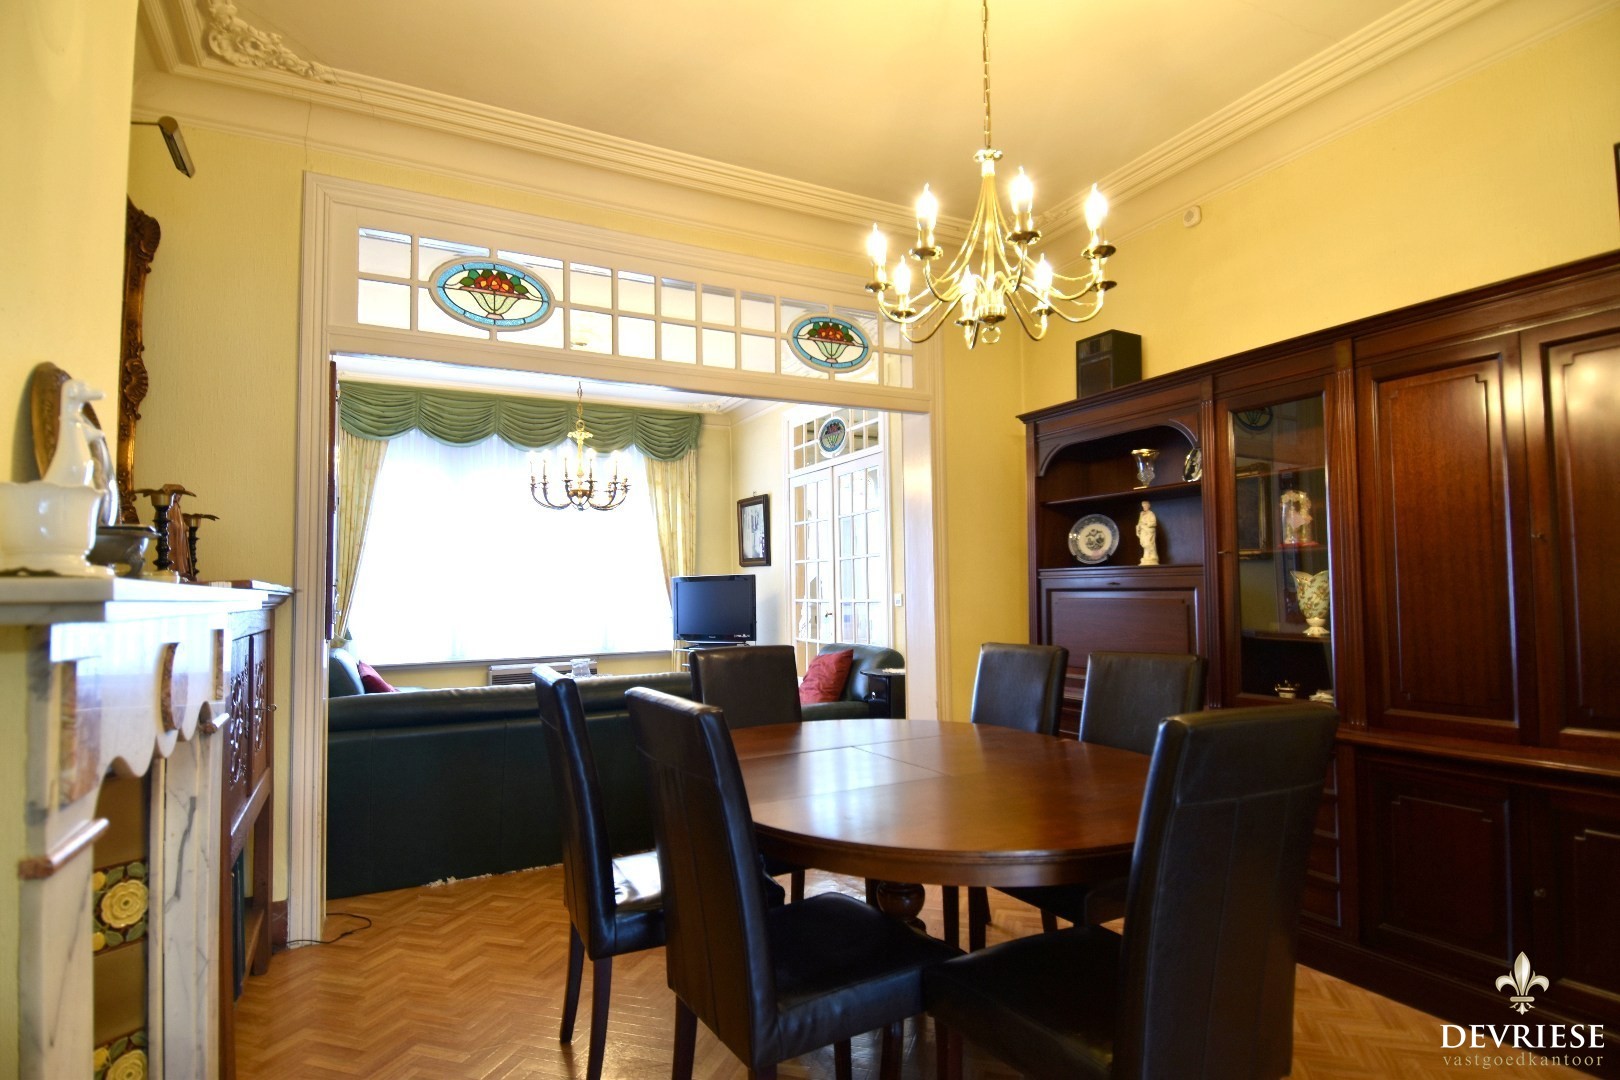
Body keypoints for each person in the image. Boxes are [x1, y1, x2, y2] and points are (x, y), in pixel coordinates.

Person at [1136, 500, 1159, 565]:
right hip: (1143, 531)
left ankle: (1152, 557)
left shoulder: (1151, 514)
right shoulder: (1141, 514)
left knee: (1148, 543)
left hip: (1149, 531)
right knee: (1143, 543)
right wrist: (1138, 527)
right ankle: (1146, 557)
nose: (1144, 507)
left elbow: (1154, 523)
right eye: (1143, 506)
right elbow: (1139, 522)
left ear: (1148, 506)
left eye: (1145, 506)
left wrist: (1146, 523)